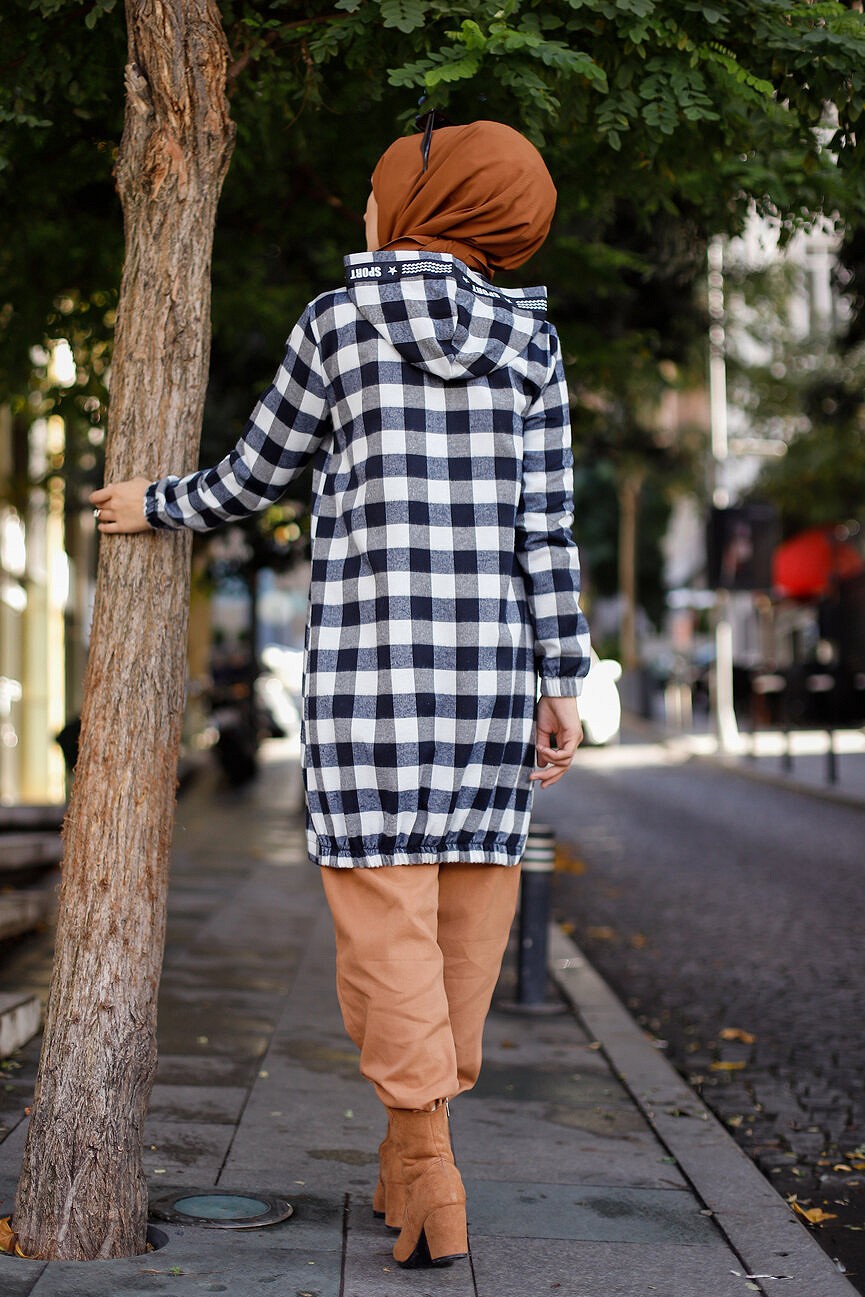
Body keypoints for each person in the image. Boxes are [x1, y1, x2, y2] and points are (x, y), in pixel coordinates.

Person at [92, 118, 590, 1270]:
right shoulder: (531, 341)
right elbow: (547, 528)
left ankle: (425, 1158)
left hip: (370, 677)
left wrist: (151, 503)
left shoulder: (338, 320)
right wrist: (560, 678)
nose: (365, 208)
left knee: (383, 919)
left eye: (377, 189)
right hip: (492, 677)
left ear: (424, 200)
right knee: (469, 914)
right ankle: (415, 1154)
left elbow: (257, 473)